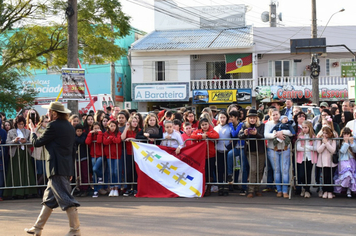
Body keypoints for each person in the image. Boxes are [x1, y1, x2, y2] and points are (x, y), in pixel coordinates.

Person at [26, 101, 81, 236]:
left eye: (49, 111)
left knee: (66, 198)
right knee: (49, 200)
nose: (47, 114)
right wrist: (71, 170)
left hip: (56, 168)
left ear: (54, 114)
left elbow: (38, 143)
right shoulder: (69, 126)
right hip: (64, 167)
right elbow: (73, 150)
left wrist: (33, 131)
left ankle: (75, 230)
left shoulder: (53, 126)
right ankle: (37, 228)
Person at [4, 115, 37, 199]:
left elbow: (32, 142)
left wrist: (26, 141)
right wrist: (14, 141)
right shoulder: (11, 132)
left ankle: (28, 192)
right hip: (15, 154)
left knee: (26, 172)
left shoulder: (27, 132)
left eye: (22, 124)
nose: (20, 126)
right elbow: (7, 142)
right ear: (16, 124)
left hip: (25, 153)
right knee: (15, 172)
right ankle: (14, 192)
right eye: (19, 124)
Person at [264, 109, 294, 199]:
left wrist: (282, 132)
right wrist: (276, 135)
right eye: (273, 115)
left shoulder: (285, 122)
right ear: (270, 116)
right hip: (273, 149)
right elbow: (266, 135)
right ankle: (279, 190)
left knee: (284, 170)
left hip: (284, 149)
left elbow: (291, 132)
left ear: (279, 115)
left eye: (277, 114)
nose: (275, 116)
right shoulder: (268, 124)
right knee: (276, 171)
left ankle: (285, 190)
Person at [238, 109, 265, 198]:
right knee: (253, 170)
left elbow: (263, 136)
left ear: (257, 118)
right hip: (251, 151)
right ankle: (250, 190)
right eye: (250, 118)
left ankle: (257, 188)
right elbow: (240, 136)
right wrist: (245, 134)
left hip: (261, 151)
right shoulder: (244, 126)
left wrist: (256, 133)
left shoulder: (261, 126)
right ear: (248, 119)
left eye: (254, 118)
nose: (252, 120)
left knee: (260, 170)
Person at [191, 117, 219, 196]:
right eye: (202, 125)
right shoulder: (198, 131)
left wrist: (207, 135)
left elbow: (216, 136)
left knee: (210, 172)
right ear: (200, 125)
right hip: (201, 156)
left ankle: (209, 188)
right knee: (203, 172)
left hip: (211, 155)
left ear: (208, 124)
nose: (204, 126)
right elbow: (192, 136)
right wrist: (201, 136)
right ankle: (202, 188)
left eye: (206, 124)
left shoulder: (211, 131)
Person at [226, 110, 248, 195]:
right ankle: (230, 175)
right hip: (236, 148)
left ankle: (244, 187)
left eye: (232, 117)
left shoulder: (241, 125)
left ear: (236, 117)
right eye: (230, 117)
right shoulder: (231, 125)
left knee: (243, 167)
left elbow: (235, 134)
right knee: (230, 154)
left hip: (242, 148)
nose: (230, 119)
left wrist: (231, 125)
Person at [295, 121, 317, 198]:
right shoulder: (300, 137)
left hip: (310, 158)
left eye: (306, 128)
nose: (304, 129)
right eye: (303, 127)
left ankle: (307, 190)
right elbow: (298, 148)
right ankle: (304, 188)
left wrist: (305, 147)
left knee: (308, 174)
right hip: (302, 158)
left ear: (309, 128)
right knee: (301, 174)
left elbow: (315, 148)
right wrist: (309, 148)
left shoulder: (313, 137)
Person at [121, 116, 141, 197]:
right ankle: (129, 188)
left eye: (136, 121)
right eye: (133, 121)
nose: (135, 123)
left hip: (137, 154)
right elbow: (122, 138)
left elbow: (140, 139)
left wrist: (132, 139)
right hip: (129, 153)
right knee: (129, 171)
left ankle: (136, 188)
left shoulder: (139, 131)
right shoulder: (128, 130)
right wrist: (126, 127)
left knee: (136, 171)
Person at [334, 127, 356, 197]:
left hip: (352, 160)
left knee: (352, 175)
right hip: (343, 161)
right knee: (347, 174)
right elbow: (342, 151)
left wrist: (352, 143)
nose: (346, 136)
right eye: (344, 134)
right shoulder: (340, 141)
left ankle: (349, 190)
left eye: (348, 134)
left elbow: (355, 150)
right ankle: (344, 188)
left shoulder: (353, 140)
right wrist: (346, 142)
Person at [31, 115, 50, 196]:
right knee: (39, 172)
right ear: (41, 122)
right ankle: (39, 189)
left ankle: (43, 188)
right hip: (38, 154)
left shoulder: (49, 130)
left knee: (46, 173)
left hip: (47, 154)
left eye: (48, 121)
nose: (47, 123)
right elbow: (32, 139)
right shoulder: (36, 130)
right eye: (45, 122)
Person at [102, 120, 122, 197]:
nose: (113, 127)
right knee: (111, 171)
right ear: (108, 126)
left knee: (116, 171)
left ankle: (116, 188)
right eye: (111, 126)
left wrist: (110, 138)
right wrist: (111, 138)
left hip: (117, 155)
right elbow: (105, 142)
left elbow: (118, 140)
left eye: (114, 126)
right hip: (109, 155)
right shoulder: (106, 133)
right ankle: (111, 187)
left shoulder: (118, 133)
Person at [316, 126, 337, 199]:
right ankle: (325, 191)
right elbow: (318, 150)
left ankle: (330, 191)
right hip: (323, 162)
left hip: (330, 162)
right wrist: (323, 143)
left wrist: (327, 143)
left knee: (330, 177)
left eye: (326, 133)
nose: (325, 135)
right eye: (323, 133)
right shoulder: (320, 140)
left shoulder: (332, 140)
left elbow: (333, 150)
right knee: (325, 176)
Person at [85, 122, 104, 198]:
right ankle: (95, 190)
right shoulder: (91, 135)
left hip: (100, 155)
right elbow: (87, 142)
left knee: (95, 169)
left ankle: (101, 176)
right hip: (93, 155)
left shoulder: (101, 134)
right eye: (94, 128)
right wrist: (90, 134)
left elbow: (99, 141)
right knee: (94, 174)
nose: (96, 130)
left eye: (97, 128)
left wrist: (99, 132)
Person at [213, 111, 230, 196]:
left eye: (224, 117)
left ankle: (226, 187)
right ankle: (220, 187)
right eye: (221, 117)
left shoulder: (229, 127)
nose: (222, 119)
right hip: (218, 151)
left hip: (227, 151)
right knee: (219, 170)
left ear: (226, 118)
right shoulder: (216, 128)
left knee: (226, 170)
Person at [74, 124, 89, 197]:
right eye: (77, 131)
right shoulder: (74, 136)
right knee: (78, 174)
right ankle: (79, 188)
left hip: (83, 157)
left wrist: (75, 139)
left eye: (80, 131)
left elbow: (82, 141)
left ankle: (85, 189)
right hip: (76, 158)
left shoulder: (84, 135)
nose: (79, 133)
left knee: (84, 173)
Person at [0, 118, 8, 201]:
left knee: (1, 179)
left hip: (1, 161)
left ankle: (1, 195)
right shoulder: (3, 131)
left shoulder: (3, 132)